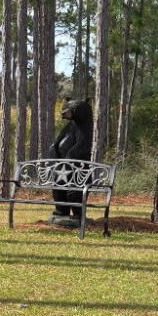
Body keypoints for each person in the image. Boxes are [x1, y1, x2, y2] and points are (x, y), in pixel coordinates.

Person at [49, 95, 94, 226]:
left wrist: (70, 155)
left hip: (78, 170)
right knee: (58, 189)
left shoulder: (85, 127)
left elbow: (83, 145)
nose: (66, 114)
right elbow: (58, 141)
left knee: (74, 192)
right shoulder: (71, 126)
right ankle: (61, 211)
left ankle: (78, 214)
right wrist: (54, 149)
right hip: (62, 168)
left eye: (69, 111)